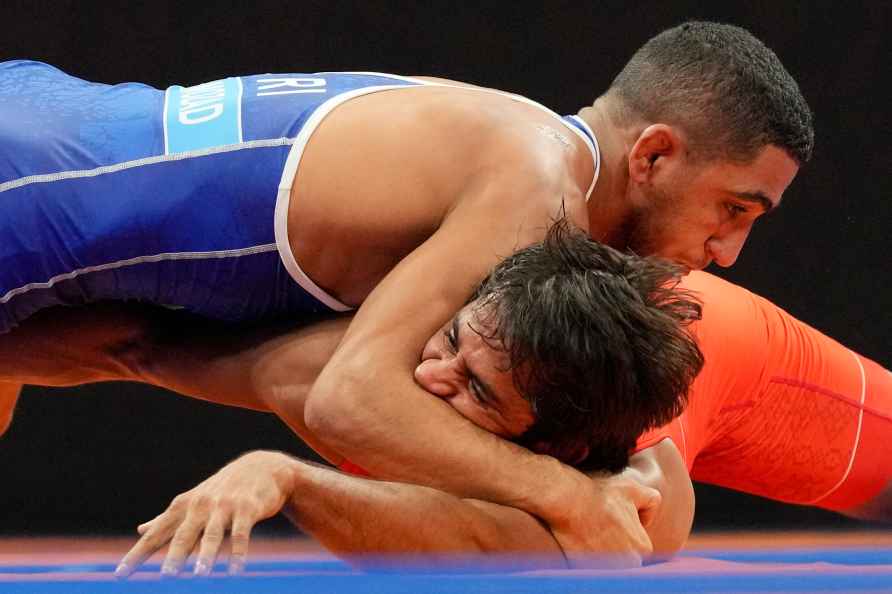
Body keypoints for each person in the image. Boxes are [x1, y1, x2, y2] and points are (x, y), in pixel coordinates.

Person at [0, 21, 813, 562]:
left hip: (42, 128)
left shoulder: (507, 134)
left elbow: (154, 344)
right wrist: (567, 493)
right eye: (733, 208)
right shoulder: (535, 193)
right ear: (656, 155)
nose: (729, 251)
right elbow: (350, 400)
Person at [114, 249, 891, 577]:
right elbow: (128, 344)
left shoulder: (636, 486)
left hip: (733, 356)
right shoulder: (346, 368)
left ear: (560, 447)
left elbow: (489, 537)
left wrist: (287, 478)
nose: (426, 375)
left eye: (476, 392)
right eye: (448, 342)